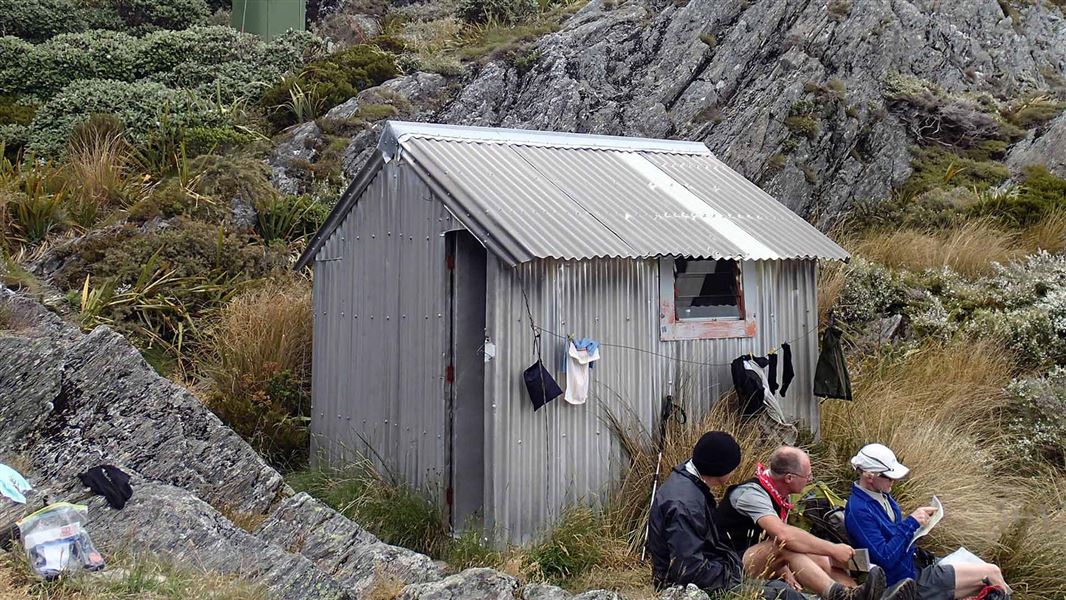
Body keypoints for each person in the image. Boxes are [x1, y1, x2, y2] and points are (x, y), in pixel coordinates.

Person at [716, 446, 911, 600]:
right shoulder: (750, 494)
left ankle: (856, 593)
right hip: (727, 566)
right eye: (807, 476)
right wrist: (833, 549)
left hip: (751, 557)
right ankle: (837, 595)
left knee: (821, 558)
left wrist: (785, 569)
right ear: (789, 478)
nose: (810, 479)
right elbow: (782, 536)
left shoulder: (781, 493)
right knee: (786, 544)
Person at [646, 432, 804, 600]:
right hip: (683, 587)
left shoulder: (688, 481)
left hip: (706, 573)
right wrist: (730, 574)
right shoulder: (685, 505)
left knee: (780, 587)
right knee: (784, 595)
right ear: (720, 469)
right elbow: (688, 569)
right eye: (733, 467)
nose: (735, 471)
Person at [844, 443, 1011, 600]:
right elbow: (885, 558)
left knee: (986, 572)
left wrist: (917, 530)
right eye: (888, 477)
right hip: (908, 582)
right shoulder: (859, 510)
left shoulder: (882, 496)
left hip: (916, 565)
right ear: (869, 476)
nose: (893, 481)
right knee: (992, 573)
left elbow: (893, 538)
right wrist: (911, 522)